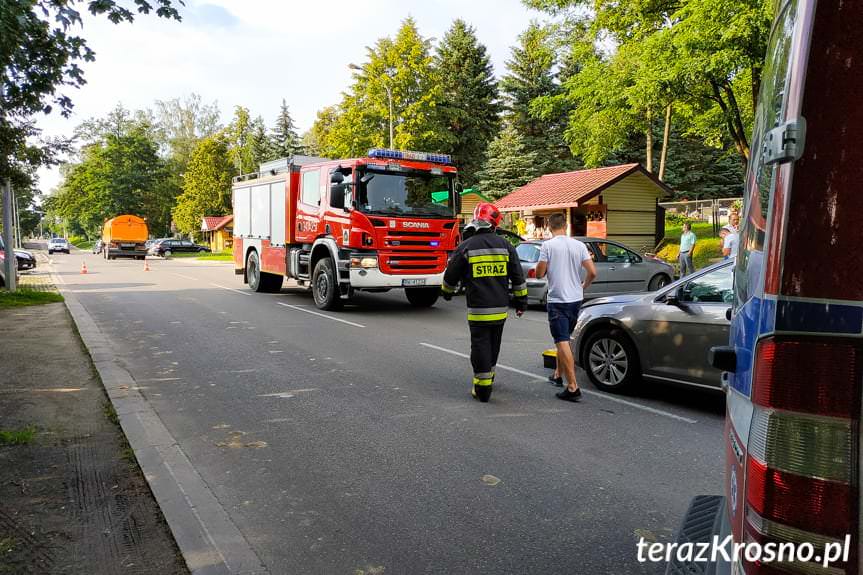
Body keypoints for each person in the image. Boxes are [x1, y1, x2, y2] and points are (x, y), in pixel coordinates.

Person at [441, 203, 528, 403]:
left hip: (478, 309)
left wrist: (446, 293)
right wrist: (521, 303)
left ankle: (482, 388)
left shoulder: (466, 247)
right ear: (494, 225)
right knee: (494, 344)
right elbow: (518, 277)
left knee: (480, 345)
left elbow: (450, 276)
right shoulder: (506, 246)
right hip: (500, 309)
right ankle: (489, 375)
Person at [536, 213, 597, 402]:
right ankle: (557, 375)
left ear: (549, 226)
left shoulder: (547, 246)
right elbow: (593, 272)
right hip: (575, 299)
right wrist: (583, 286)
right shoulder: (579, 246)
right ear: (566, 226)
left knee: (561, 341)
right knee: (565, 340)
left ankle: (572, 387)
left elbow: (539, 273)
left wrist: (542, 269)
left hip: (558, 300)